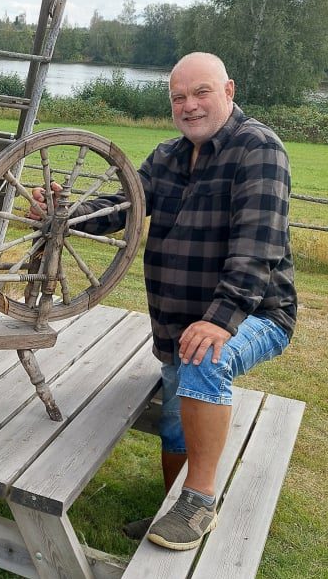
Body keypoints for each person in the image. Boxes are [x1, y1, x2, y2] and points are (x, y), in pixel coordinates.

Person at [32, 52, 296, 551]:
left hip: (256, 313)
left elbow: (257, 248)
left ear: (229, 91)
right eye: (179, 97)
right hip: (178, 319)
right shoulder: (167, 156)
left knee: (204, 362)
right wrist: (65, 214)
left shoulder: (259, 149)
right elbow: (121, 208)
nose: (189, 105)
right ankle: (171, 504)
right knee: (176, 414)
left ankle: (198, 502)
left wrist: (220, 320)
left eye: (201, 93)